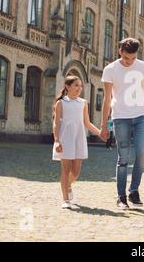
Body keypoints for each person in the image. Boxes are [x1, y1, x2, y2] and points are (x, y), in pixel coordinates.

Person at [100, 38, 144, 210]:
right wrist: (103, 125)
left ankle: (134, 190)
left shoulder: (143, 67)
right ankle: (121, 197)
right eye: (126, 59)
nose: (129, 62)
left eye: (132, 58)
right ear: (120, 52)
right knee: (123, 158)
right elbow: (107, 99)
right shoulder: (110, 70)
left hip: (139, 117)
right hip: (120, 117)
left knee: (141, 154)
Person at [52, 76, 102, 209]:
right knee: (65, 170)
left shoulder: (83, 103)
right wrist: (57, 141)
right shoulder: (61, 103)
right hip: (65, 138)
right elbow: (56, 123)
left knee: (76, 172)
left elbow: (87, 123)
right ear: (67, 87)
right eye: (76, 85)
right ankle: (65, 199)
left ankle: (68, 185)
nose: (79, 88)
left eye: (80, 86)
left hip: (79, 137)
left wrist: (100, 133)